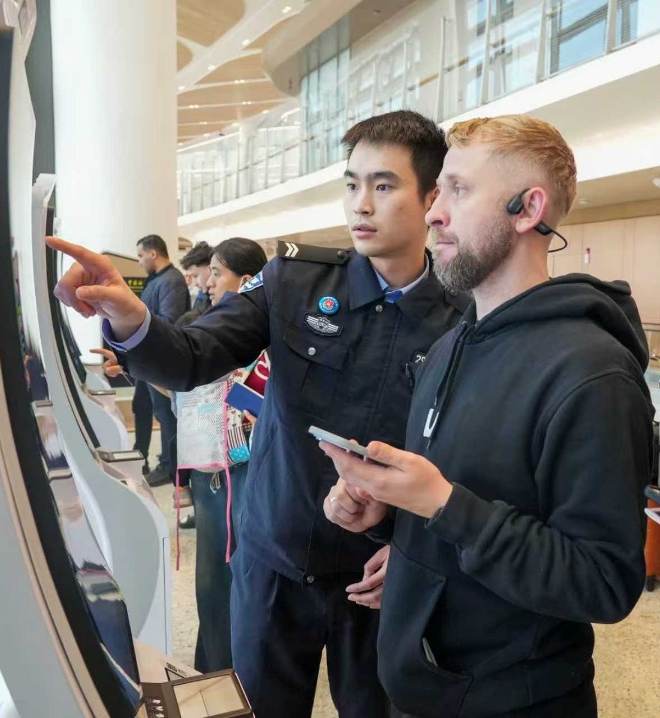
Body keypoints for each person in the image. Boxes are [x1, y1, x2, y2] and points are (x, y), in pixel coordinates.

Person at [48, 109, 467, 717]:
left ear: (431, 197)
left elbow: (469, 457)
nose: (361, 205)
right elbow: (194, 356)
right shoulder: (294, 281)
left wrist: (415, 548)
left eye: (383, 185)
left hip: (382, 575)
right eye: (351, 184)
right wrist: (131, 321)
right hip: (276, 559)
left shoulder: (463, 314)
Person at [320, 115, 653, 717]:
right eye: (440, 190)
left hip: (512, 700)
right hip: (421, 686)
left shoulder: (592, 373)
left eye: (460, 191)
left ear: (528, 209)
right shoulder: (453, 343)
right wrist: (390, 517)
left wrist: (442, 506)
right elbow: (462, 504)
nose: (433, 213)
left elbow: (603, 582)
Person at [174, 238, 268, 673]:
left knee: (231, 581)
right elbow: (193, 392)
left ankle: (232, 675)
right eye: (206, 274)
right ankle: (212, 671)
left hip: (244, 476)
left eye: (216, 273)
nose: (207, 283)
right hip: (212, 472)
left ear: (246, 281)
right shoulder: (211, 329)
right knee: (210, 584)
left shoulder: (265, 342)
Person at [133, 234, 189, 487]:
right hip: (148, 359)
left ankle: (170, 468)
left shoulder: (172, 281)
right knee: (144, 408)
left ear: (153, 253)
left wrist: (137, 324)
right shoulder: (157, 280)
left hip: (161, 361)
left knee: (166, 415)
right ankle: (149, 458)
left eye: (141, 256)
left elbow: (170, 320)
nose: (140, 261)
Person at [181, 241, 215, 313]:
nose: (194, 283)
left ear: (210, 268)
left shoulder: (221, 297)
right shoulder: (203, 295)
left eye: (195, 276)